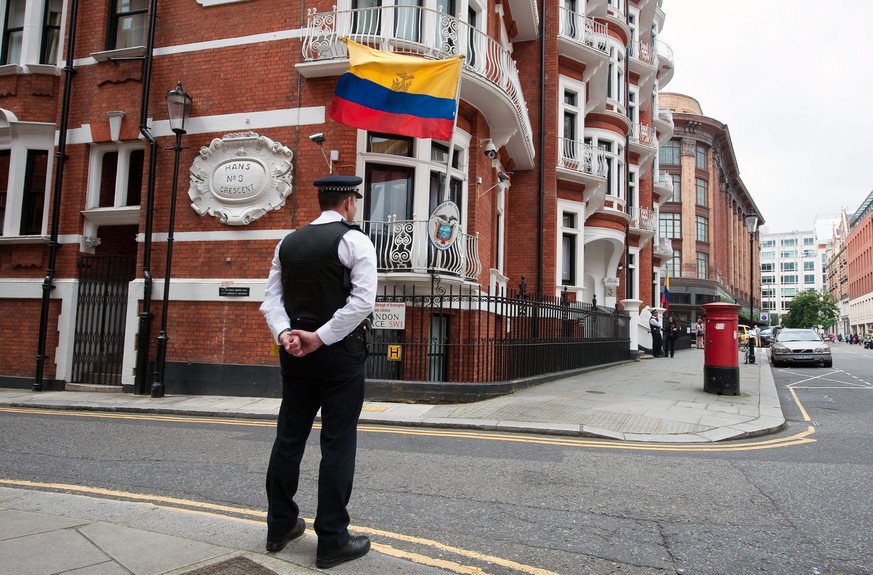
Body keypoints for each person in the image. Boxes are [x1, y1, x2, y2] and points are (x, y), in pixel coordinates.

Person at [260, 175, 377, 568]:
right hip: (340, 355)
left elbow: (270, 300)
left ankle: (279, 526)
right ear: (348, 202)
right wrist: (320, 337)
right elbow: (362, 302)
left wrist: (286, 334)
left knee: (289, 438)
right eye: (355, 202)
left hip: (294, 352)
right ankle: (332, 540)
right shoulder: (355, 240)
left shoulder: (287, 241)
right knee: (338, 442)